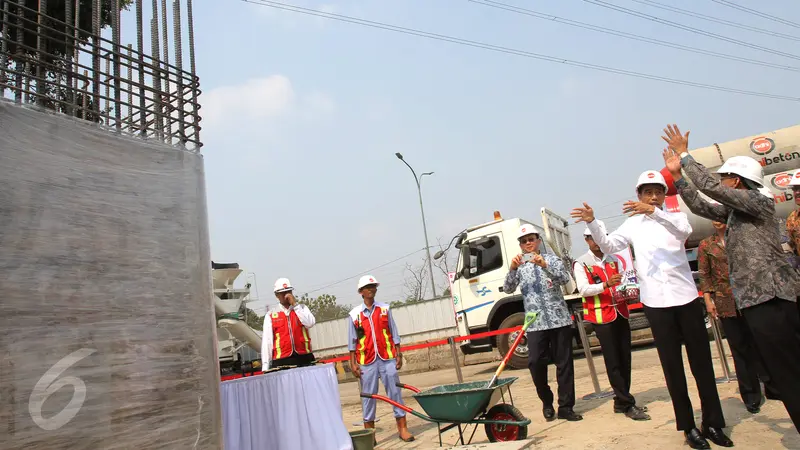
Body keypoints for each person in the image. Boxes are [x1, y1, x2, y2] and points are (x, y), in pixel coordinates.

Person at [571, 170, 732, 449]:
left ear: (664, 194)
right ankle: (689, 427)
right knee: (673, 368)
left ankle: (713, 422)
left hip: (685, 299)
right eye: (647, 192)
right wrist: (594, 222)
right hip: (657, 304)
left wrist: (654, 211)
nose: (653, 196)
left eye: (657, 191)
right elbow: (609, 245)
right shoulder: (632, 225)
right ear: (639, 195)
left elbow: (684, 232)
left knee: (702, 365)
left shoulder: (675, 217)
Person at [662, 123, 800, 434]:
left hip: (773, 299)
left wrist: (685, 156)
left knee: (790, 371)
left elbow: (711, 187)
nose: (722, 181)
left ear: (736, 181)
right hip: (757, 302)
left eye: (726, 177)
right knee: (782, 371)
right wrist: (678, 179)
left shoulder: (758, 203)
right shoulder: (737, 212)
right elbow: (702, 204)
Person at [697, 221, 780, 413]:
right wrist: (708, 299)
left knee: (761, 343)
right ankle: (750, 395)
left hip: (752, 297)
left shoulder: (742, 236)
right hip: (725, 300)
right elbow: (704, 274)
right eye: (712, 216)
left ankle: (772, 386)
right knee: (739, 348)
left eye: (720, 215)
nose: (717, 220)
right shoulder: (707, 244)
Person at [503, 224, 582, 422]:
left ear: (538, 240)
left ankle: (566, 407)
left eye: (531, 239)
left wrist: (544, 265)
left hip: (559, 320)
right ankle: (547, 401)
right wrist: (512, 269)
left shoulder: (552, 259)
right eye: (524, 241)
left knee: (564, 364)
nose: (528, 243)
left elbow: (565, 278)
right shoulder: (519, 265)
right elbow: (507, 288)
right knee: (535, 363)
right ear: (520, 245)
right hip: (535, 323)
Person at [573, 220, 650, 421]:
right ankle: (627, 403)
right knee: (613, 361)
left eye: (599, 237)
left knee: (625, 357)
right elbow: (583, 290)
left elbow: (623, 282)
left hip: (621, 312)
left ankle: (620, 400)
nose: (596, 241)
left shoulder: (614, 259)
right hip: (601, 316)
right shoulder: (581, 263)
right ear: (586, 239)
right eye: (591, 238)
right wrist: (606, 285)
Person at [348, 275, 414, 443]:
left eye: (374, 286)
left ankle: (403, 428)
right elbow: (353, 340)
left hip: (387, 358)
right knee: (368, 397)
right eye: (368, 287)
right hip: (367, 361)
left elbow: (394, 332)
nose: (372, 289)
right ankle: (370, 435)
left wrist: (398, 353)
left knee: (395, 392)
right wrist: (353, 362)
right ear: (361, 292)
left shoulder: (385, 309)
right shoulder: (355, 315)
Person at [260, 278, 316, 370]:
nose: (286, 294)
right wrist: (265, 366)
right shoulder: (270, 315)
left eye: (288, 291)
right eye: (282, 292)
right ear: (276, 295)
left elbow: (310, 323)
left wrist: (295, 305)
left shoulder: (302, 308)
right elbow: (267, 342)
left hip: (304, 357)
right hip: (282, 360)